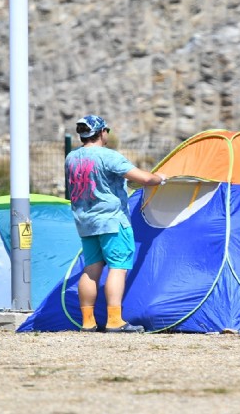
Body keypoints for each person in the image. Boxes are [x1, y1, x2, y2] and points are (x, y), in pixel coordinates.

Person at [65, 115, 166, 333]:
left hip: (85, 222)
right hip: (112, 220)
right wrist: (161, 178)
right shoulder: (108, 156)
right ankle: (114, 321)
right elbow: (145, 179)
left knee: (90, 269)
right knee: (118, 268)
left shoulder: (72, 158)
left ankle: (88, 322)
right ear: (101, 132)